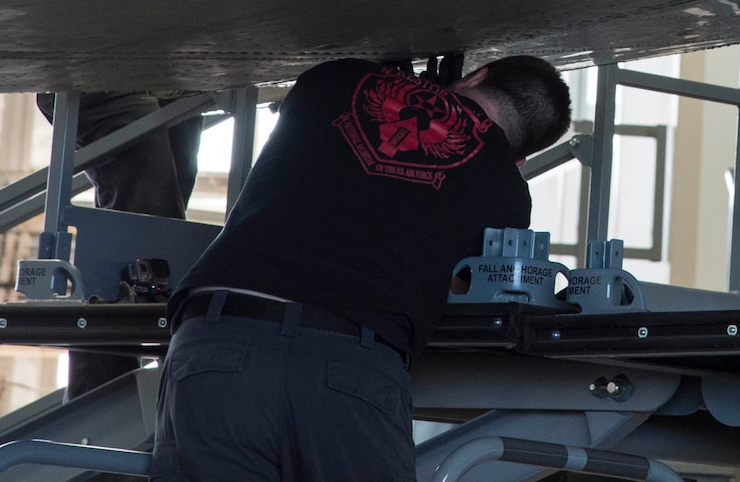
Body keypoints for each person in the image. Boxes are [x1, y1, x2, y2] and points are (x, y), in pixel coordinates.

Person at [150, 55, 572, 482]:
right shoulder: (508, 191)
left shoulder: (337, 78)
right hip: (349, 360)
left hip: (216, 336)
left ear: (477, 75)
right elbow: (462, 287)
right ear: (520, 160)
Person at [34, 91, 203, 398]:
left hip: (165, 68)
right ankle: (99, 409)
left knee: (164, 201)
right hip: (104, 77)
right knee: (151, 213)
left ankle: (102, 402)